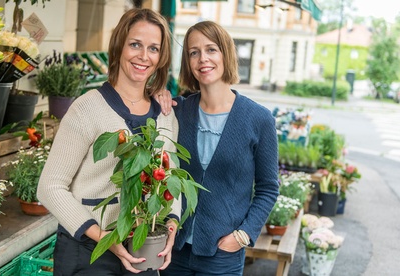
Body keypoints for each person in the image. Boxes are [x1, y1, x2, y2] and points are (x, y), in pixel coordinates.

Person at [37, 8, 180, 275]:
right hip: (88, 250)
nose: (143, 56)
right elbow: (50, 186)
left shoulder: (165, 116)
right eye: (135, 44)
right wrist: (104, 237)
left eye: (153, 48)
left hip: (145, 247)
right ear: (118, 47)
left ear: (161, 58)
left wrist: (170, 226)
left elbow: (172, 180)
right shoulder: (88, 108)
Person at [160, 21, 280, 275]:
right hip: (174, 248)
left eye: (211, 49)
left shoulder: (258, 119)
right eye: (194, 52)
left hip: (222, 255)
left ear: (226, 54)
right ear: (188, 61)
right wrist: (156, 97)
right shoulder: (179, 111)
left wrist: (243, 235)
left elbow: (268, 188)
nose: (203, 58)